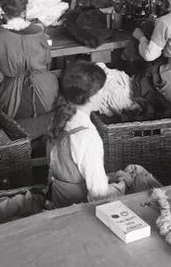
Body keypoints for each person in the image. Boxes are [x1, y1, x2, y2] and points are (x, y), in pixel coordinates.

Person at [0, 0, 59, 140]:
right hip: (47, 98)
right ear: (24, 10)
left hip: (14, 101)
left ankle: (17, 143)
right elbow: (47, 62)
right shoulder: (39, 32)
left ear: (2, 11)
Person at [45, 61, 127, 208]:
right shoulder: (87, 137)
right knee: (135, 177)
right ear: (91, 96)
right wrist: (122, 186)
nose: (104, 93)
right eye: (102, 90)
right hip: (81, 209)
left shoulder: (58, 120)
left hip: (59, 199)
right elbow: (99, 194)